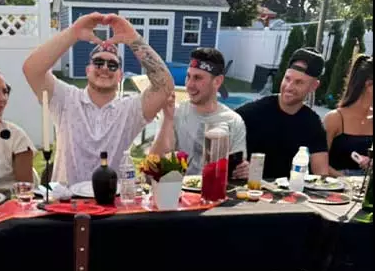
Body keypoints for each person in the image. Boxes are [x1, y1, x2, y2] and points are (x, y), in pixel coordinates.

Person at [22, 12, 174, 186]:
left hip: (113, 204)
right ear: (87, 70)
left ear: (120, 75)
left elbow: (164, 86)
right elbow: (32, 69)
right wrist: (73, 32)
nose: (104, 68)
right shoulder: (66, 99)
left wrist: (133, 38)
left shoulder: (131, 109)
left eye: (112, 65)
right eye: (98, 62)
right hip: (67, 203)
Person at [150, 48, 249, 179]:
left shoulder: (233, 121)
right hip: (177, 193)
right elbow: (154, 167)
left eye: (197, 78)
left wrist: (243, 171)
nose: (189, 85)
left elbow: (237, 171)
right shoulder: (175, 112)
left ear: (217, 81)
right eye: (188, 76)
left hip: (215, 193)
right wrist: (168, 119)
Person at [237, 47, 329, 179]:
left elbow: (321, 174)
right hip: (251, 189)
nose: (289, 87)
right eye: (287, 79)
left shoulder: (312, 122)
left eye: (299, 82)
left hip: (290, 194)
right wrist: (237, 165)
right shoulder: (252, 112)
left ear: (314, 86)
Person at [323, 54, 373, 177]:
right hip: (335, 190)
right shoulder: (334, 119)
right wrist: (346, 180)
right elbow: (318, 163)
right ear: (369, 85)